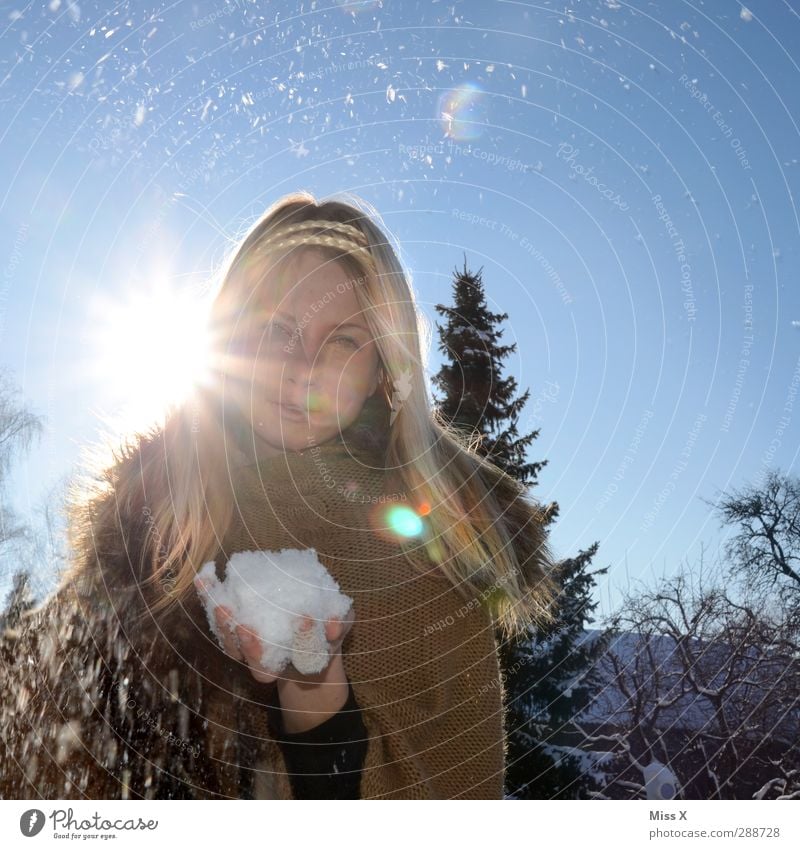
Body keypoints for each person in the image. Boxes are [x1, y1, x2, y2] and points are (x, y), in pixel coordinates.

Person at [0, 191, 557, 800]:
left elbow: (447, 793)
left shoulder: (423, 547)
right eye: (276, 330)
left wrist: (315, 701)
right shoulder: (151, 510)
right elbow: (38, 716)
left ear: (384, 371)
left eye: (342, 342)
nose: (302, 365)